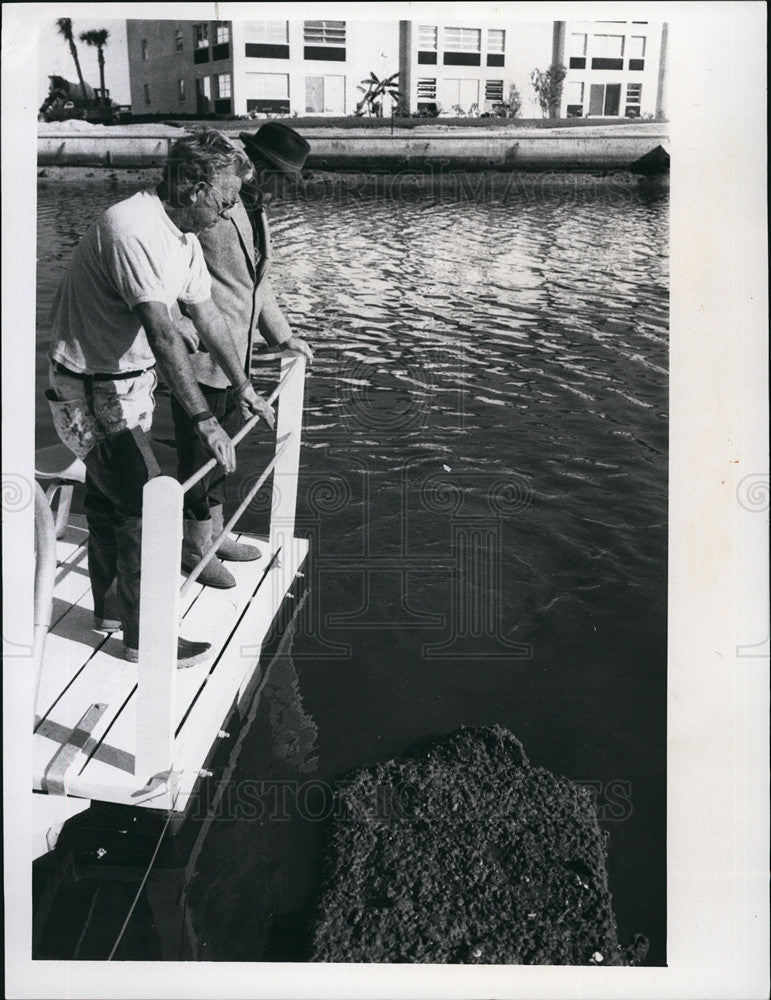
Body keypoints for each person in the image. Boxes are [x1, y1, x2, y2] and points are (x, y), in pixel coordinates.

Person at [46, 130, 275, 667]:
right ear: (195, 189)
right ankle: (143, 639)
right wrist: (203, 419)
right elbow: (163, 333)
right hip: (89, 390)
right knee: (147, 505)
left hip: (124, 386)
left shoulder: (183, 236)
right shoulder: (133, 228)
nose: (227, 212)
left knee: (108, 499)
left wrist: (242, 387)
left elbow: (206, 315)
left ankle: (108, 608)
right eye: (223, 200)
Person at [170, 124, 313, 589]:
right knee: (199, 455)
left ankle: (215, 533)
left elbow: (256, 284)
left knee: (224, 451)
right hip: (202, 354)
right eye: (280, 177)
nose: (282, 187)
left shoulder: (254, 206)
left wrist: (282, 337)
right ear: (260, 165)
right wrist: (182, 328)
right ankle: (194, 548)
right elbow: (168, 265)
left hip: (238, 355)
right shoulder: (207, 202)